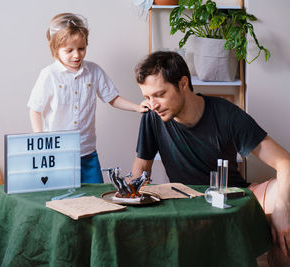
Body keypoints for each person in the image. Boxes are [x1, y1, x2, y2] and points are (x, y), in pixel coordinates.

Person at [131, 51, 290, 266]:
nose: (153, 104)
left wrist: (282, 209)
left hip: (234, 196)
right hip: (184, 202)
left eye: (159, 94)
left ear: (183, 83)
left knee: (287, 215)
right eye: (147, 97)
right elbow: (141, 170)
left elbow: (284, 162)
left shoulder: (226, 114)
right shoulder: (152, 116)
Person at [28, 13, 147, 183]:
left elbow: (112, 98)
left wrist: (137, 107)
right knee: (62, 197)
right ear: (55, 50)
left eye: (81, 48)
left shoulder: (94, 71)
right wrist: (40, 141)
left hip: (87, 152)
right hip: (57, 153)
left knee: (94, 196)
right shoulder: (49, 75)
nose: (77, 55)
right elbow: (35, 109)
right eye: (69, 50)